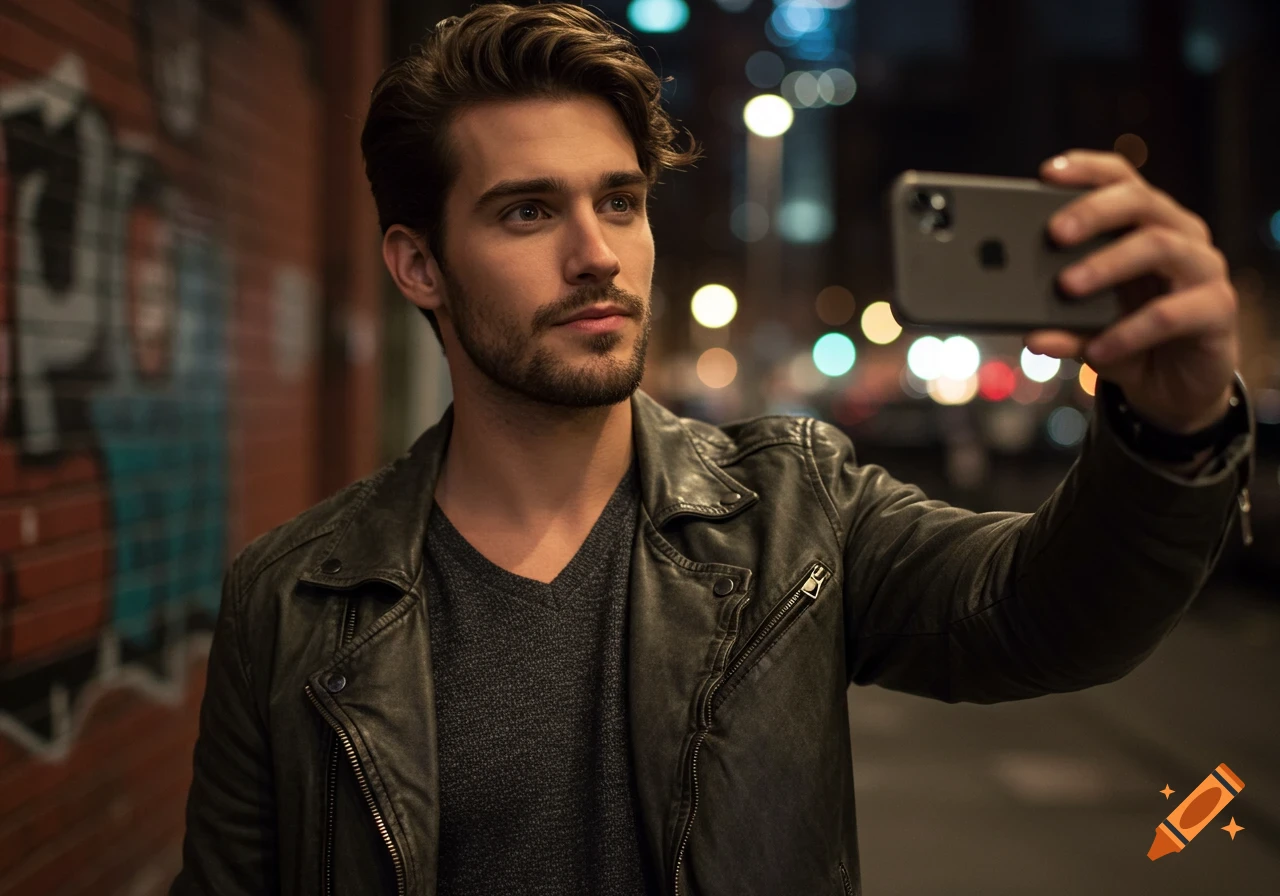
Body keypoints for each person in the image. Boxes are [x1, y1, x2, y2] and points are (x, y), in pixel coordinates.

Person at [171, 4, 1255, 895]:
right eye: (527, 212)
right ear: (418, 265)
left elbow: (1049, 613)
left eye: (620, 201)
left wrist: (1170, 428)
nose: (596, 254)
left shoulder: (793, 508)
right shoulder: (291, 600)